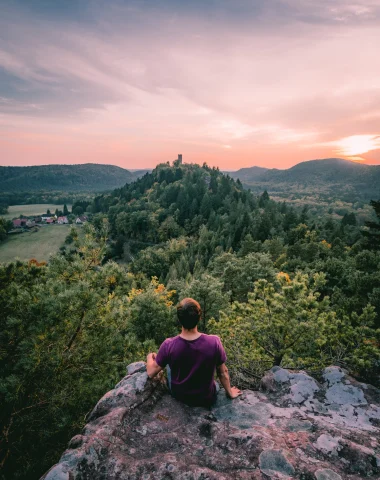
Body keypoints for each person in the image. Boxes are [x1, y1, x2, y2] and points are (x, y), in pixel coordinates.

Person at [146, 297, 241, 406]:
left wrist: (150, 357)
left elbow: (150, 372)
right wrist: (230, 393)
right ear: (199, 317)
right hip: (206, 397)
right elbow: (223, 373)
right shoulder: (214, 342)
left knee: (168, 363)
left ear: (179, 319)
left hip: (180, 397)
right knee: (215, 385)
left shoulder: (168, 344)